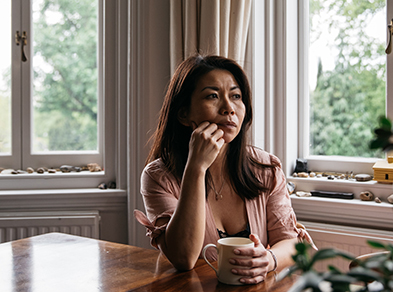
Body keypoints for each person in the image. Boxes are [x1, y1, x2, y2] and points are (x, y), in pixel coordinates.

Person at [134, 55, 315, 285]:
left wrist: (268, 260)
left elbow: (290, 242)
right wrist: (196, 168)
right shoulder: (158, 177)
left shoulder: (266, 168)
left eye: (236, 96)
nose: (229, 108)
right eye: (213, 96)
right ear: (183, 113)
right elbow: (184, 258)